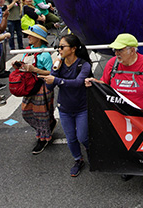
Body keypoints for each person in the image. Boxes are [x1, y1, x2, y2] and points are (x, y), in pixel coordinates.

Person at [85, 33, 143, 199]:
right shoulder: (112, 64)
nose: (116, 53)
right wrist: (93, 82)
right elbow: (104, 84)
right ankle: (129, 169)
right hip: (121, 115)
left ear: (133, 50)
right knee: (124, 145)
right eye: (115, 50)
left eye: (120, 50)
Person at [41, 34, 92, 177]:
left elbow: (77, 83)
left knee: (83, 137)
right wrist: (55, 71)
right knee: (71, 138)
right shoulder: (59, 64)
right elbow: (49, 87)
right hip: (64, 108)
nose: (59, 49)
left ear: (73, 49)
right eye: (58, 47)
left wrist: (56, 79)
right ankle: (78, 159)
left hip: (82, 108)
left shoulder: (84, 64)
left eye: (62, 46)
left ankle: (91, 151)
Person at [19, 25, 56, 154]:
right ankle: (46, 127)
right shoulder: (28, 50)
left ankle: (43, 137)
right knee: (26, 112)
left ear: (38, 38)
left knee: (41, 114)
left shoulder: (45, 54)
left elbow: (51, 73)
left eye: (31, 35)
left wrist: (35, 70)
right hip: (29, 86)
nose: (28, 36)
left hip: (41, 86)